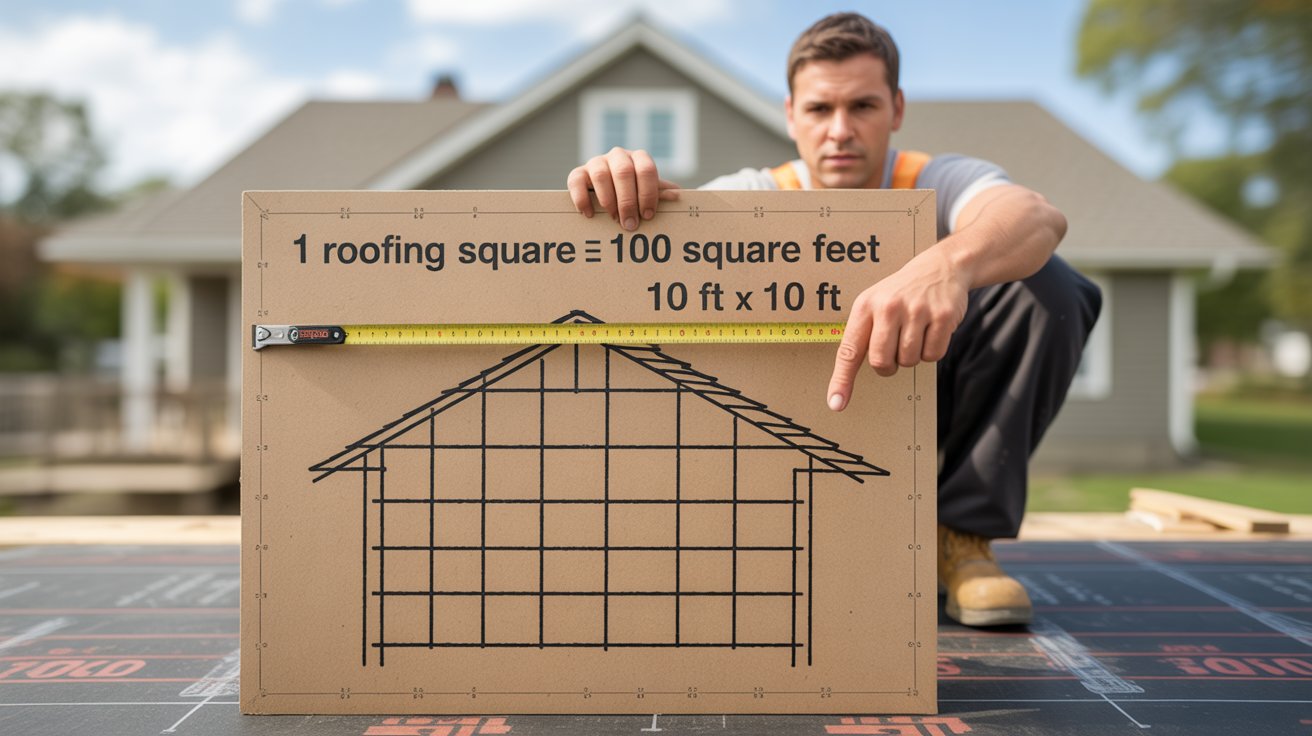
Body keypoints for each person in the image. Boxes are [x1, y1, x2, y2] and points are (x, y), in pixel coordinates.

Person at [566, 12, 1101, 627]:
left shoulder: (938, 182)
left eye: (864, 106)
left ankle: (959, 538)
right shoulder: (754, 197)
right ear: (790, 114)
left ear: (896, 109)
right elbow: (654, 271)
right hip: (791, 422)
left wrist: (945, 265)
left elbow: (1036, 218)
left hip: (928, 402)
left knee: (1049, 284)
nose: (841, 131)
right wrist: (619, 191)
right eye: (821, 110)